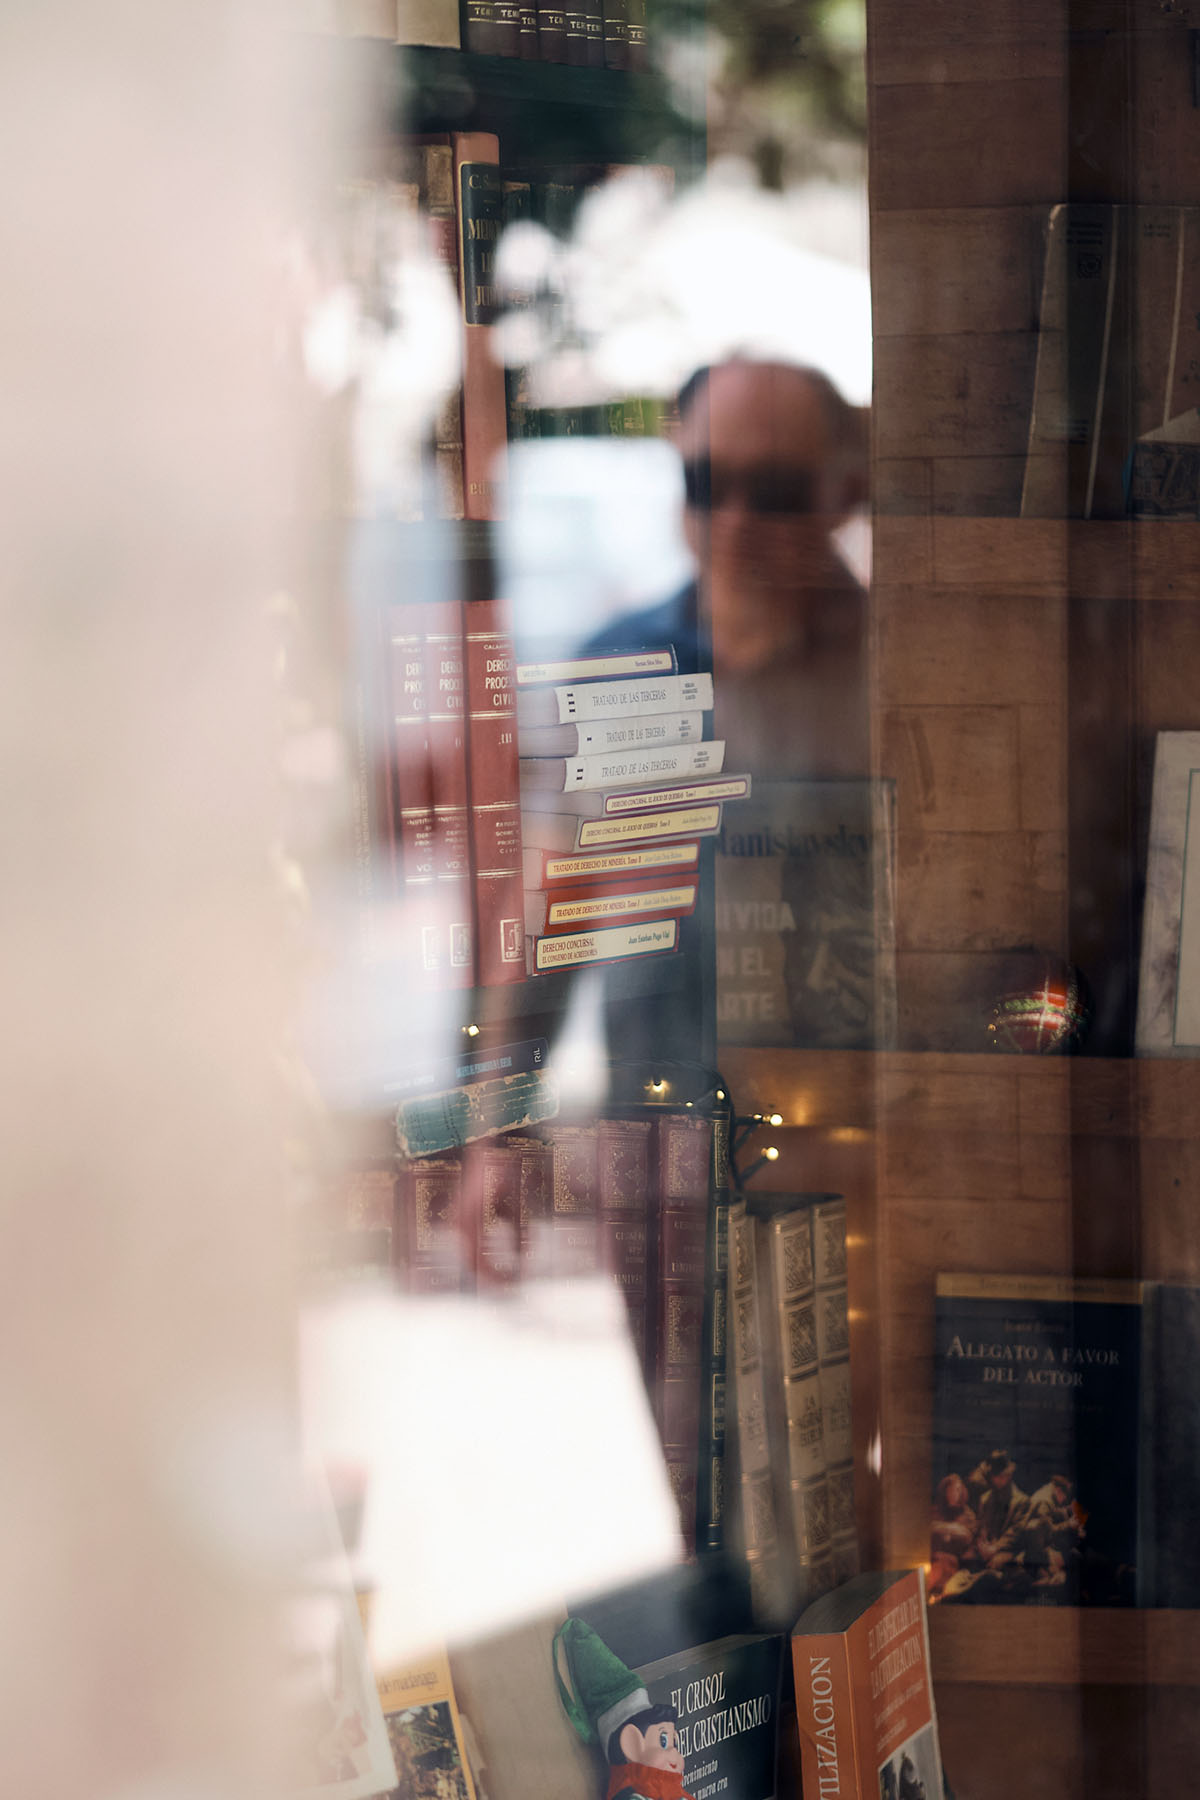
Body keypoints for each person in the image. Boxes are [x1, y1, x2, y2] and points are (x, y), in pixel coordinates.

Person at [587, 358, 870, 780]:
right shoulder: (614, 660)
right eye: (707, 482)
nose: (735, 521)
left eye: (774, 490)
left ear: (844, 495)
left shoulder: (891, 660)